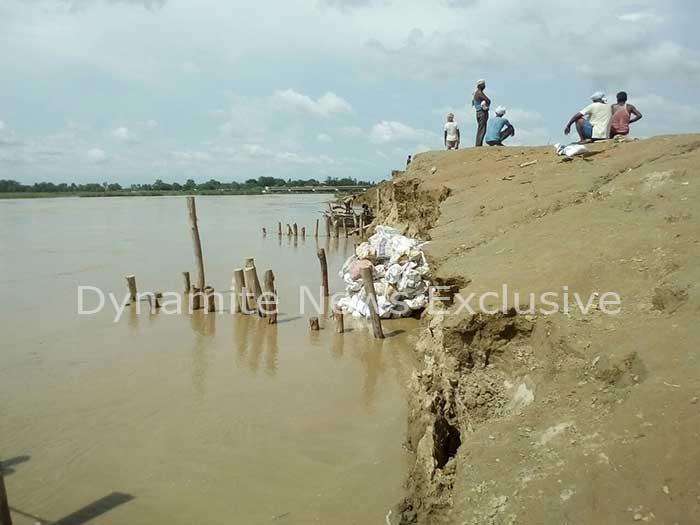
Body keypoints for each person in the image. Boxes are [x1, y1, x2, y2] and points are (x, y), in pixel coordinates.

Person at [472, 79, 491, 147]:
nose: (484, 86)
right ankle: (478, 144)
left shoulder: (476, 93)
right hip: (482, 112)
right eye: (483, 85)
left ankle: (478, 144)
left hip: (478, 112)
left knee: (481, 128)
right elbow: (488, 100)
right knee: (482, 129)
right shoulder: (479, 93)